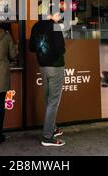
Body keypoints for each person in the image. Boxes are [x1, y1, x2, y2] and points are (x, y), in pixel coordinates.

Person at [29, 9, 66, 147]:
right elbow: (61, 48)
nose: (60, 17)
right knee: (53, 101)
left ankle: (53, 128)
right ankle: (47, 136)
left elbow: (32, 47)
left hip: (42, 66)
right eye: (59, 15)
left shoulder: (36, 26)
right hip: (55, 67)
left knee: (48, 98)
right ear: (54, 14)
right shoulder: (54, 26)